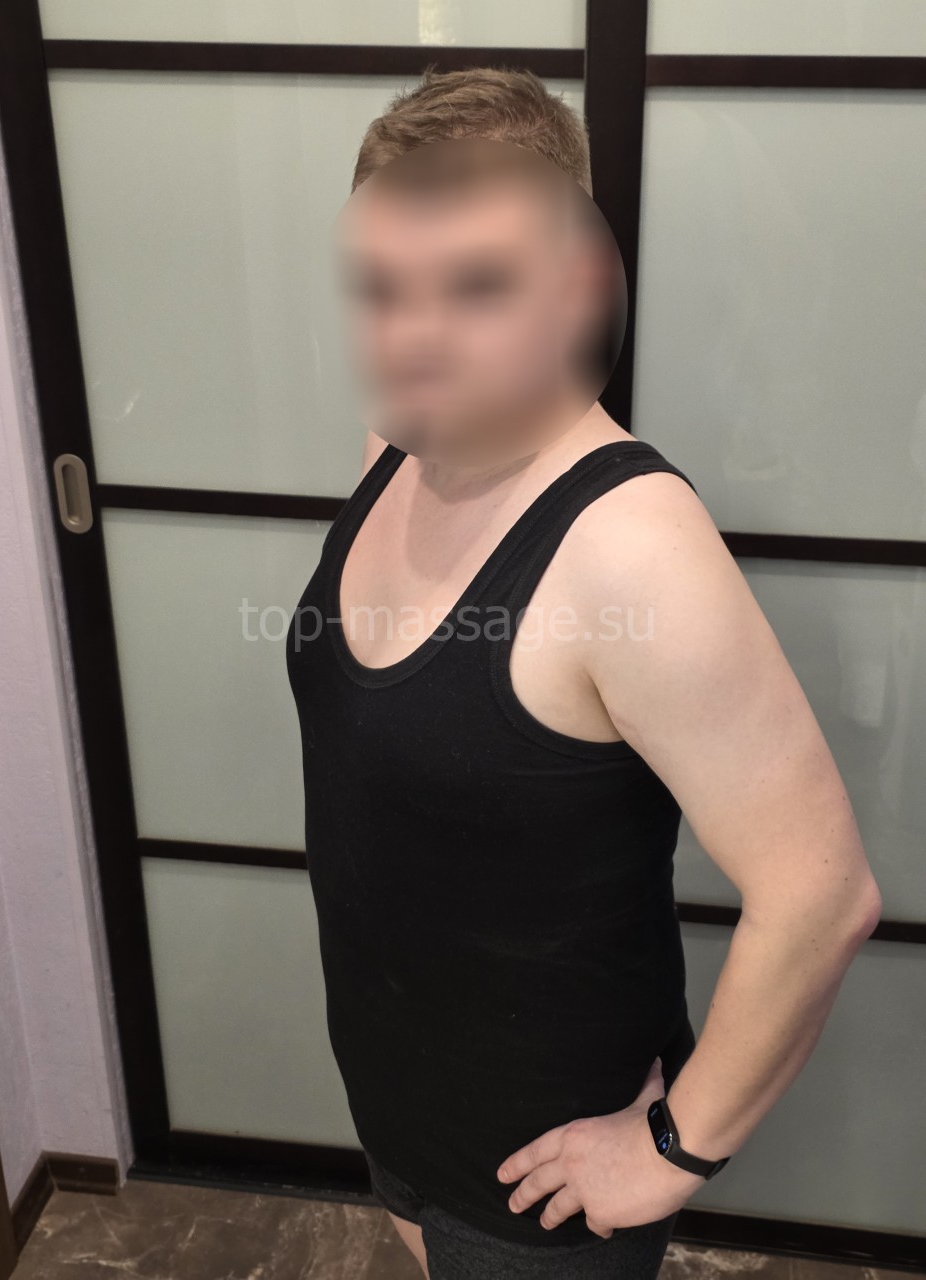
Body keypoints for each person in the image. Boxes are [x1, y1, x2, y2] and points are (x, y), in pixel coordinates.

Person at [286, 67, 881, 1280]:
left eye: (477, 285)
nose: (414, 333)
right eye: (386, 286)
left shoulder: (631, 545)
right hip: (401, 1106)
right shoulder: (399, 443)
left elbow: (821, 894)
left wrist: (671, 1150)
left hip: (542, 1188)